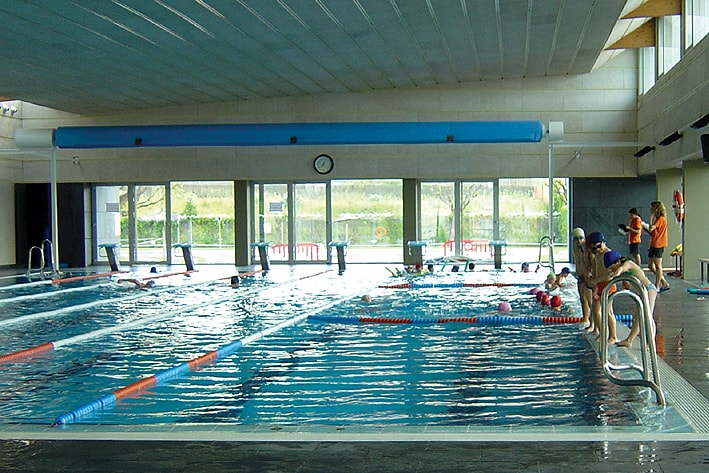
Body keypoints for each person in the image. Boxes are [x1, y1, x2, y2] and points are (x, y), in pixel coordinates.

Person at [604, 250, 657, 348]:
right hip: (642, 293)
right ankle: (629, 340)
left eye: (613, 267)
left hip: (649, 290)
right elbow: (628, 283)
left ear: (617, 262)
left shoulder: (628, 263)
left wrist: (615, 275)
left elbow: (621, 269)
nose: (613, 270)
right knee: (638, 318)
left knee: (647, 317)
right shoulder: (623, 269)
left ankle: (651, 343)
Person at [585, 231, 618, 344]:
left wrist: (595, 280)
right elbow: (596, 269)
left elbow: (610, 274)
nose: (597, 249)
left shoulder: (609, 254)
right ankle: (602, 333)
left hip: (608, 285)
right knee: (595, 310)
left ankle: (613, 336)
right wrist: (594, 282)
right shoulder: (598, 254)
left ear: (603, 242)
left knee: (608, 311)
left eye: (599, 246)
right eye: (594, 248)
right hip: (599, 285)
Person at [645, 200, 670, 292]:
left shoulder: (661, 219)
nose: (650, 210)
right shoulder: (658, 219)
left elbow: (651, 228)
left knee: (658, 265)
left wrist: (650, 218)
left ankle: (657, 285)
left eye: (652, 208)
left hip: (659, 244)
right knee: (650, 265)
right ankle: (664, 281)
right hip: (654, 243)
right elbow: (653, 232)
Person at [571, 228, 593, 329]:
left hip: (587, 278)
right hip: (580, 277)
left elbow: (593, 262)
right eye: (576, 239)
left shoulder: (587, 250)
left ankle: (594, 324)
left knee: (590, 302)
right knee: (582, 300)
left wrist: (590, 272)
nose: (579, 241)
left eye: (581, 238)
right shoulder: (576, 249)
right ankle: (585, 319)